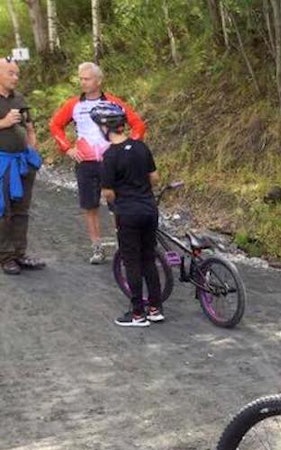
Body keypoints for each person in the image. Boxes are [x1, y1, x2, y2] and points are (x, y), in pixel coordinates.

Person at [49, 62, 146, 265]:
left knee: (117, 204)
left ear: (98, 81)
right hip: (85, 162)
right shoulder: (74, 104)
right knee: (89, 205)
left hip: (111, 161)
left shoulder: (113, 102)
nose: (82, 82)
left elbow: (138, 124)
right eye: (80, 78)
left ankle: (123, 244)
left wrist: (130, 149)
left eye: (87, 78)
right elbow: (55, 125)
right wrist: (67, 148)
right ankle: (97, 247)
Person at [94, 102, 163, 327]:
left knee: (131, 262)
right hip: (149, 210)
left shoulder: (110, 156)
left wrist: (119, 199)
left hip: (128, 213)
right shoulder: (141, 147)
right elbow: (154, 178)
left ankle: (137, 314)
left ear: (105, 127)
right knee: (149, 259)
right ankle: (155, 308)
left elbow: (108, 193)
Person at [0, 58, 44, 276]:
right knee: (3, 211)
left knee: (21, 210)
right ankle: (6, 257)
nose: (15, 78)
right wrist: (4, 123)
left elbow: (29, 126)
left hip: (22, 162)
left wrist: (32, 149)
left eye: (17, 73)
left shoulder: (19, 98)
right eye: (10, 73)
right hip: (2, 164)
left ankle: (20, 253)